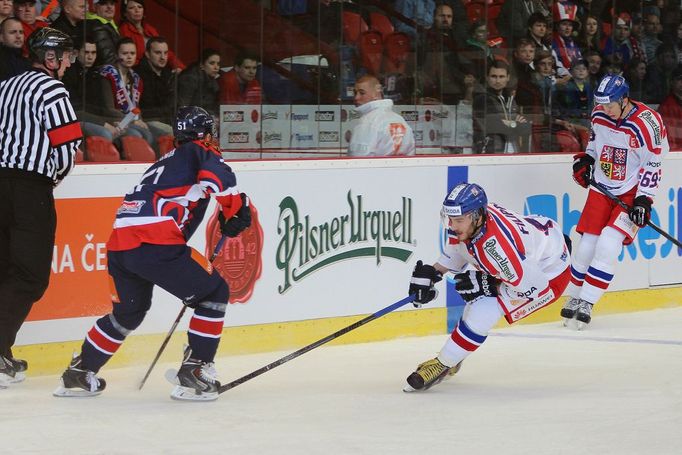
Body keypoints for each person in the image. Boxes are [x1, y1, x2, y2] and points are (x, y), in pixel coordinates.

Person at [53, 106, 252, 400]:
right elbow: (218, 178)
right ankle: (196, 368)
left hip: (121, 243)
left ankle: (80, 372)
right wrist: (235, 207)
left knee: (128, 313)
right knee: (214, 294)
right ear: (205, 134)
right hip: (155, 241)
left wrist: (226, 210)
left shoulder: (166, 161)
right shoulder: (200, 150)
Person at [403, 182, 571, 392]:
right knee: (478, 298)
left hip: (549, 275)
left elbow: (535, 288)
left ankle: (444, 364)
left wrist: (489, 285)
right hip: (541, 243)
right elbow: (459, 249)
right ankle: (453, 358)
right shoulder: (471, 224)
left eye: (459, 220)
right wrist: (434, 272)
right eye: (451, 219)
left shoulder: (498, 249)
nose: (452, 226)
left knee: (482, 308)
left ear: (477, 216)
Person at [0, 27, 81, 386]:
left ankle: (3, 351)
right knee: (29, 275)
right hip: (29, 189)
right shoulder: (52, 88)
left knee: (4, 270)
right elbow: (66, 148)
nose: (68, 62)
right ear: (50, 57)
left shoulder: (4, 86)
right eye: (65, 55)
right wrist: (49, 179)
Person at [561, 74, 669, 329]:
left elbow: (654, 163)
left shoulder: (647, 124)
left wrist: (644, 200)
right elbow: (594, 143)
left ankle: (587, 301)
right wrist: (585, 161)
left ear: (624, 99)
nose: (605, 109)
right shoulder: (600, 115)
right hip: (602, 188)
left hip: (630, 191)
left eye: (610, 104)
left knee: (608, 244)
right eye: (602, 103)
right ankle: (573, 297)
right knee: (587, 245)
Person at [348, 74, 415, 157]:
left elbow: (357, 160)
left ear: (376, 94)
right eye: (355, 93)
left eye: (362, 93)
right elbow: (410, 153)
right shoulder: (400, 120)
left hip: (375, 169)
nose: (356, 97)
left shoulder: (368, 121)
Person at [472, 60, 530, 154]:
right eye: (494, 76)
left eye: (501, 76)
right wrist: (515, 123)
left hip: (513, 151)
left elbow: (526, 127)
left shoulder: (511, 99)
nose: (498, 81)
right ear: (487, 78)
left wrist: (508, 123)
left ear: (508, 78)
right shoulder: (482, 98)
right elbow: (493, 125)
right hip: (491, 152)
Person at [118, 0, 184, 70]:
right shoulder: (124, 30)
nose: (137, 10)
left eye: (140, 7)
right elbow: (130, 58)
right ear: (125, 13)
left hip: (157, 68)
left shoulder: (150, 29)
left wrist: (179, 67)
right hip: (139, 71)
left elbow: (165, 51)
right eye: (131, 8)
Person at [177, 48, 221, 117]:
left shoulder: (213, 81)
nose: (216, 67)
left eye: (218, 64)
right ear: (201, 65)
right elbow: (182, 108)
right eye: (212, 63)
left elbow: (211, 107)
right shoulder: (190, 79)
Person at [658, 65, 682, 151]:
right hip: (675, 155)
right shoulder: (666, 107)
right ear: (672, 82)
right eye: (680, 79)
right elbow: (670, 139)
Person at [0, 17, 32, 81]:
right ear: (1, 37)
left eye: (21, 32)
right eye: (12, 32)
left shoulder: (27, 60)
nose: (18, 36)